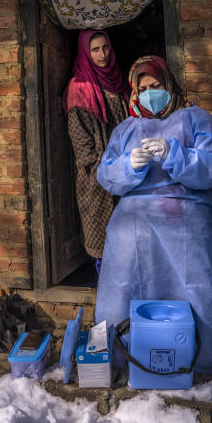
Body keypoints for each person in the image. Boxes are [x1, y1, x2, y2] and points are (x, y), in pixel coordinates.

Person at [95, 55, 212, 375]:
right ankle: (115, 359)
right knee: (120, 283)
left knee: (193, 289)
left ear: (170, 86)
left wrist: (175, 155)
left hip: (186, 212)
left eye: (156, 86)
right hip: (134, 215)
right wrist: (130, 165)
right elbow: (106, 175)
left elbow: (211, 170)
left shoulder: (197, 120)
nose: (150, 93)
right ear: (134, 93)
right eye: (143, 88)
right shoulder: (126, 129)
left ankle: (199, 362)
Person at [63, 30, 130, 270]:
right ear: (85, 53)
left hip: (127, 170)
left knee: (129, 242)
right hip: (97, 176)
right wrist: (102, 162)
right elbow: (80, 140)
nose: (102, 55)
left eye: (105, 48)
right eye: (95, 50)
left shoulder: (118, 80)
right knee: (104, 246)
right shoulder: (79, 88)